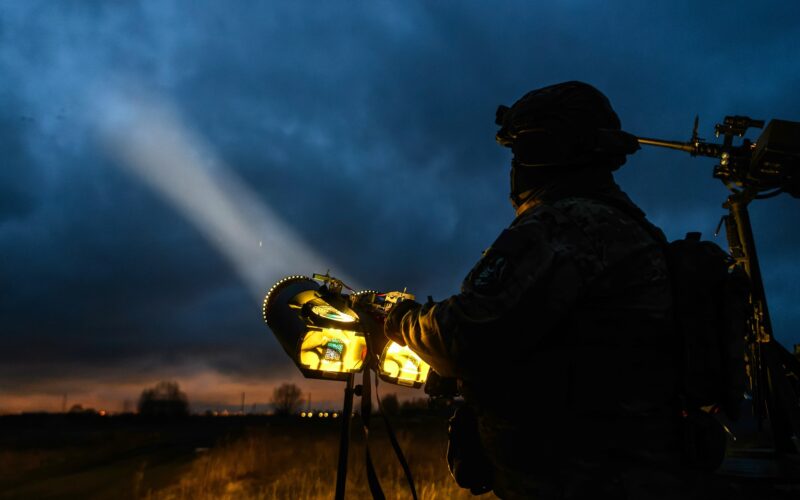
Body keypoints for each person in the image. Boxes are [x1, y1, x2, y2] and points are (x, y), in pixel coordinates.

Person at [384, 81, 688, 499]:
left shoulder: (562, 227)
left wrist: (397, 319)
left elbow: (465, 335)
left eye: (519, 151)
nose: (514, 168)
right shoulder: (627, 226)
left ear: (546, 151)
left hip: (583, 481)